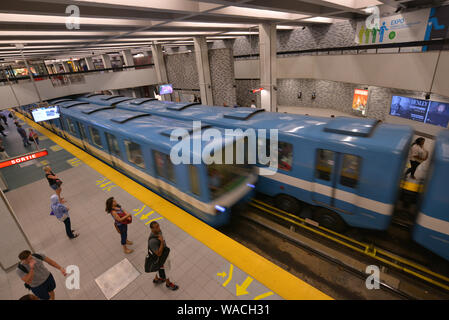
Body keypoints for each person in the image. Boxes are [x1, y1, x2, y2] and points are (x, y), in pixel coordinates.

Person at [148, 221, 179, 291]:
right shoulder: (152, 241)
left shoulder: (159, 231)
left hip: (164, 255)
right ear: (152, 229)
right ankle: (168, 284)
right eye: (156, 227)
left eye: (158, 226)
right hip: (161, 259)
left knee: (159, 270)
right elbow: (158, 254)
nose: (159, 228)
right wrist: (162, 242)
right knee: (166, 271)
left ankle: (156, 279)